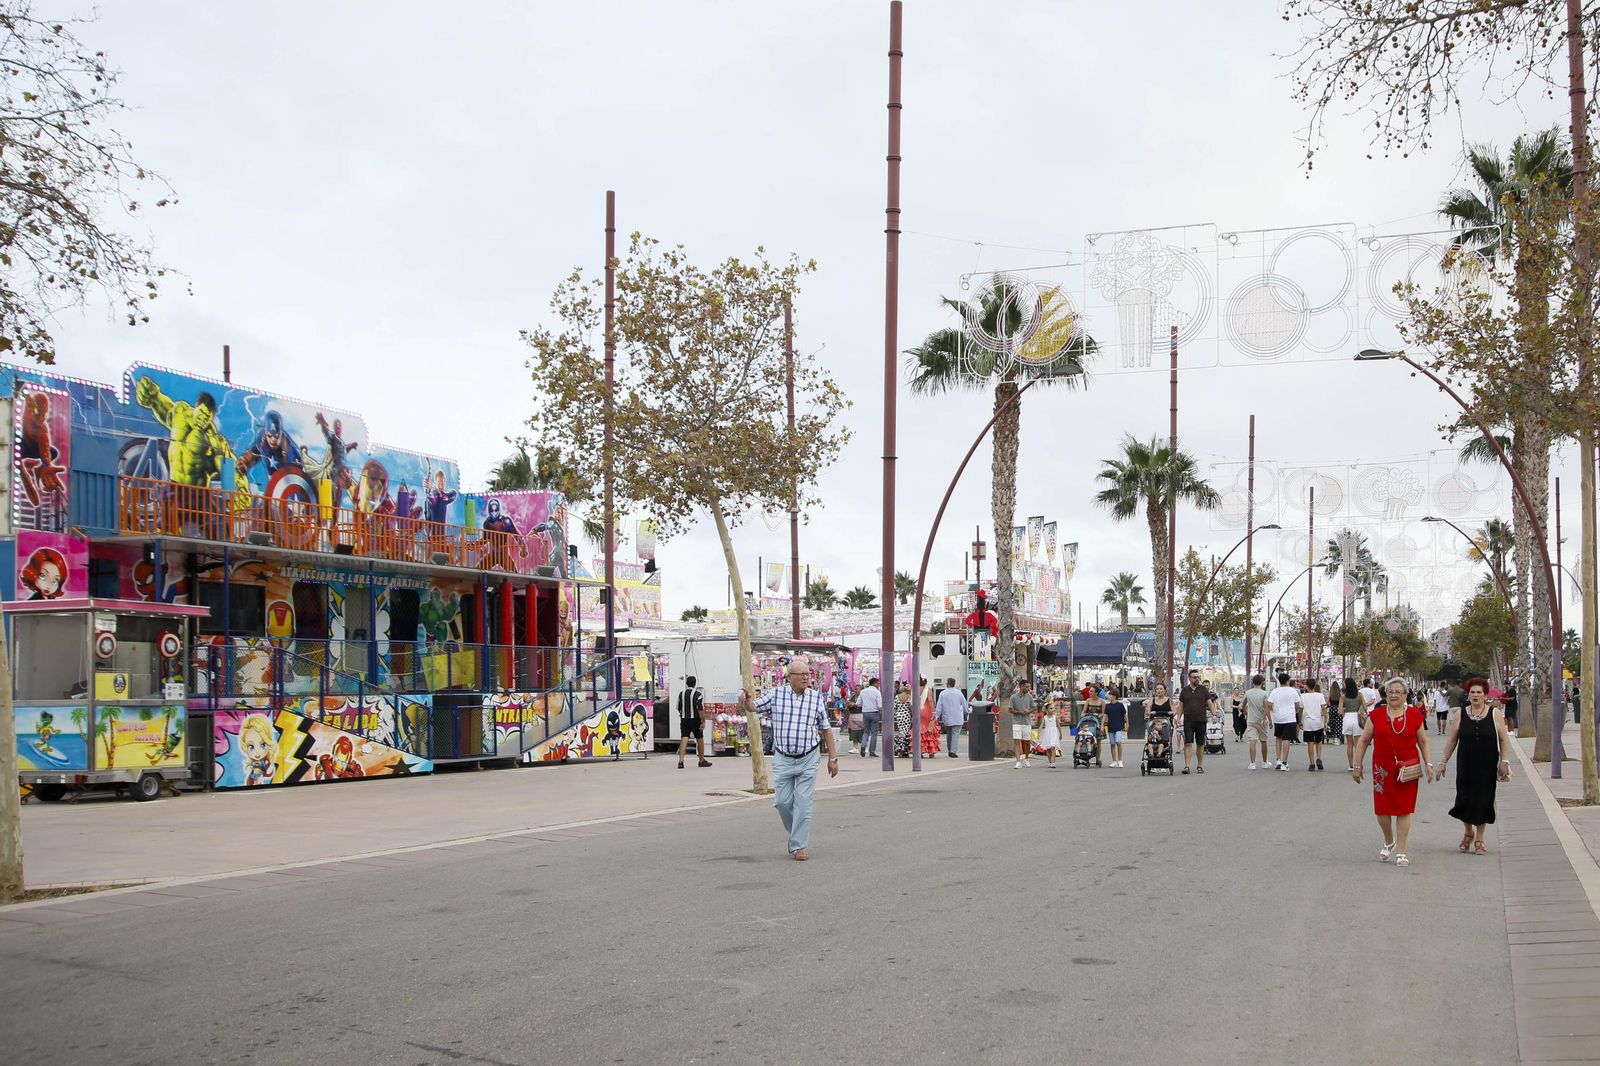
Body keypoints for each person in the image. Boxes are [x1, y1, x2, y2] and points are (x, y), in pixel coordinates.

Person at [740, 662, 839, 861]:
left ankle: (799, 845)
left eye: (807, 674)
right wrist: (745, 700)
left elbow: (826, 729)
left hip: (809, 757)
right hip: (783, 758)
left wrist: (833, 759)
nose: (805, 678)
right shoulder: (777, 695)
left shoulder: (815, 698)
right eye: (800, 674)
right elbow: (753, 708)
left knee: (803, 803)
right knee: (782, 802)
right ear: (789, 677)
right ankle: (796, 834)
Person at [1350, 677, 1436, 867]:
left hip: (1407, 768)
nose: (1394, 695)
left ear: (1406, 695)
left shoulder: (1414, 715)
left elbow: (1423, 741)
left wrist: (1429, 763)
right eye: (1390, 692)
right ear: (1385, 694)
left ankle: (1401, 851)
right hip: (1382, 769)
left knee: (1404, 809)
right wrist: (1357, 765)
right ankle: (1389, 840)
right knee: (1382, 810)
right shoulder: (1377, 715)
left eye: (1398, 692)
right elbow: (1363, 740)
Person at [1435, 677, 1512, 855]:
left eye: (1479, 692)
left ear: (1485, 695)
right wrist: (1443, 762)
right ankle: (1468, 832)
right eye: (1472, 692)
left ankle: (1480, 838)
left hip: (1487, 763)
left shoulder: (1495, 714)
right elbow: (1452, 740)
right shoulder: (1461, 714)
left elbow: (1504, 739)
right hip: (1466, 763)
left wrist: (1505, 761)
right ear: (1467, 695)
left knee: (1484, 799)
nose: (1475, 695)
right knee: (1464, 797)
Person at [1178, 669, 1215, 774]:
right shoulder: (1185, 691)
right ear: (1190, 678)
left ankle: (1199, 765)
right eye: (1194, 677)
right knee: (1188, 743)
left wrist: (1214, 714)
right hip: (1188, 721)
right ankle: (1187, 766)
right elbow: (1181, 705)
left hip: (1201, 720)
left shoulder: (1203, 690)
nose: (1197, 679)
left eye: (1198, 677)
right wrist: (1178, 718)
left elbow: (1210, 702)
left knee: (1200, 743)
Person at [1267, 672, 1302, 772]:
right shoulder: (1292, 691)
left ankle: (1278, 760)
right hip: (1289, 718)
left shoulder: (1274, 691)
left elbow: (1269, 704)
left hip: (1278, 718)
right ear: (1287, 681)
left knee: (1278, 738)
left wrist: (1272, 714)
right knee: (1286, 739)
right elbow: (1298, 705)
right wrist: (1294, 710)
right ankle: (1284, 762)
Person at [676, 675, 711, 769]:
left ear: (686, 683)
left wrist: (682, 715)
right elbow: (700, 709)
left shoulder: (681, 694)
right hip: (695, 719)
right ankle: (701, 760)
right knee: (699, 739)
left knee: (684, 738)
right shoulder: (698, 695)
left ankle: (681, 761)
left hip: (684, 719)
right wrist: (703, 721)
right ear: (695, 683)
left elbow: (678, 708)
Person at [931, 677, 965, 758]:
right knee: (955, 734)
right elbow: (964, 704)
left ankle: (950, 750)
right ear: (954, 684)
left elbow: (939, 706)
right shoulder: (959, 693)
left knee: (949, 734)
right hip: (957, 717)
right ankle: (953, 751)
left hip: (947, 717)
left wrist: (936, 716)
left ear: (947, 683)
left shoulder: (943, 693)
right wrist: (967, 712)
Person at [1243, 674, 1271, 770]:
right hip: (1262, 720)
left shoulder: (1248, 692)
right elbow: (1266, 708)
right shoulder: (1264, 694)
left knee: (1252, 741)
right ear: (1262, 683)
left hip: (1251, 720)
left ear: (1252, 682)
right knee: (1263, 741)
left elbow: (1244, 703)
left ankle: (1252, 763)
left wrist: (1245, 711)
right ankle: (1264, 762)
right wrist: (1268, 720)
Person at [1300, 678, 1328, 771]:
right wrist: (1325, 720)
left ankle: (1312, 763)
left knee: (1310, 743)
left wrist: (1300, 721)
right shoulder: (1320, 695)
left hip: (1308, 723)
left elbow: (1301, 709)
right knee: (1319, 742)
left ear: (1306, 686)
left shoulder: (1303, 696)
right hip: (1318, 722)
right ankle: (1319, 758)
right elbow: (1323, 708)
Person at [1341, 678, 1366, 770]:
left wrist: (1345, 709)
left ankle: (1351, 765)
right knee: (1358, 744)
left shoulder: (1343, 697)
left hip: (1347, 718)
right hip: (1357, 718)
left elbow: (1340, 711)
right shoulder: (1360, 695)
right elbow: (1365, 706)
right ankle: (1358, 764)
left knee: (1349, 744)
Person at [1008, 685, 1036, 768]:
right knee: (1017, 741)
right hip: (1016, 722)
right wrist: (1020, 712)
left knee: (1027, 741)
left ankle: (1026, 759)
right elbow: (1010, 710)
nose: (1028, 689)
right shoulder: (1013, 697)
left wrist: (1028, 711)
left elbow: (1033, 708)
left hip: (1027, 722)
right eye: (1027, 687)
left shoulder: (1029, 697)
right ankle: (1018, 761)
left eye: (1029, 687)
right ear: (1021, 687)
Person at [859, 677, 883, 759]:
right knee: (874, 733)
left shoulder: (863, 691)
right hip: (874, 713)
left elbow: (858, 703)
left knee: (866, 732)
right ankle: (872, 752)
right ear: (875, 683)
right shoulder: (877, 692)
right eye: (878, 683)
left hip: (865, 712)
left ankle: (863, 745)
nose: (879, 685)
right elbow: (880, 705)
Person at [1104, 691, 1129, 768]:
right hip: (1111, 726)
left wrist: (1127, 724)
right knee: (1112, 743)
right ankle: (1114, 761)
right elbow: (1105, 716)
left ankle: (1120, 760)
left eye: (1110, 695)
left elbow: (1125, 715)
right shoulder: (1107, 706)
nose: (1108, 696)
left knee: (1118, 742)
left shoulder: (1120, 705)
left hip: (1119, 726)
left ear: (1114, 696)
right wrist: (1102, 725)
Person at [1036, 696, 1062, 768]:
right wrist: (1038, 733)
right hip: (1047, 733)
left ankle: (1053, 762)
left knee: (1053, 747)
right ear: (1046, 710)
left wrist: (1060, 734)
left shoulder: (1055, 717)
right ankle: (1050, 762)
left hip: (1053, 733)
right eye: (1051, 708)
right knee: (1048, 749)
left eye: (1053, 708)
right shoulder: (1045, 717)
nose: (1053, 709)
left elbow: (1058, 725)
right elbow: (1041, 725)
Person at [893, 681, 914, 758]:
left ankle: (899, 748)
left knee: (901, 732)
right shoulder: (909, 697)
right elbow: (911, 707)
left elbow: (894, 707)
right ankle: (903, 749)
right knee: (906, 732)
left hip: (899, 716)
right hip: (907, 716)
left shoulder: (897, 696)